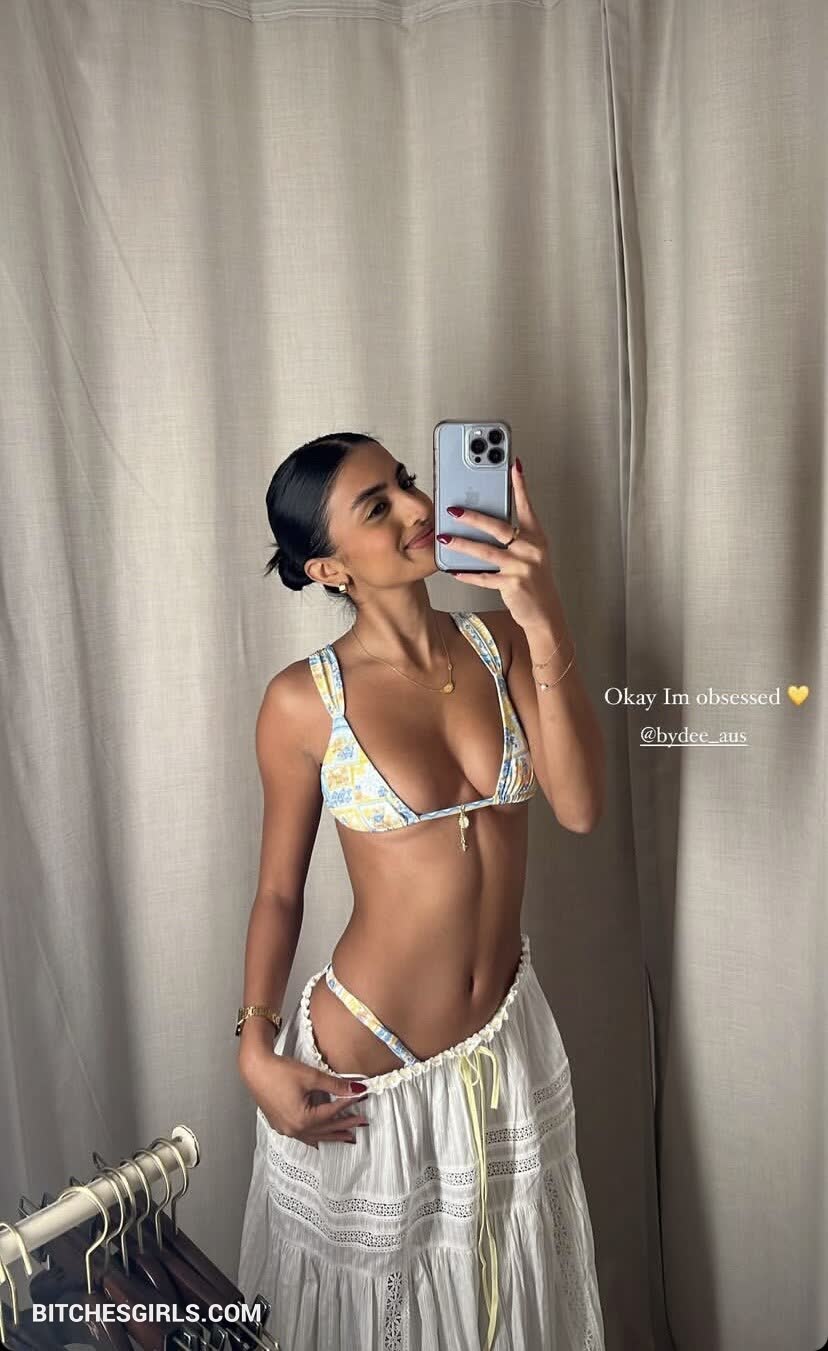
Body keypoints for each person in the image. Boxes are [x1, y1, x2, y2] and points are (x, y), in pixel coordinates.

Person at [236, 432, 606, 1350]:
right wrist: (253, 1047)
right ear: (329, 568)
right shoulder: (302, 702)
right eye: (380, 505)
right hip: (367, 1070)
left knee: (506, 1301)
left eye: (405, 481)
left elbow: (580, 806)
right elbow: (278, 891)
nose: (417, 506)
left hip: (504, 1040)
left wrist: (545, 614)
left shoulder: (498, 641)